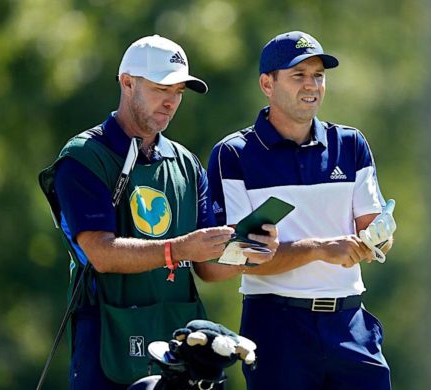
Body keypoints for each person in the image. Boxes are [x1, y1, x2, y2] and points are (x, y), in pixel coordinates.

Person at [39, 35, 277, 389]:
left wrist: (251, 254)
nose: (171, 101)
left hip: (181, 347)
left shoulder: (185, 163)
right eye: (161, 88)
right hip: (109, 346)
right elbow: (101, 253)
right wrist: (179, 248)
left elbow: (207, 267)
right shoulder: (84, 157)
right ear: (127, 82)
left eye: (179, 91)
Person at [201, 31, 397, 389]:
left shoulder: (350, 145)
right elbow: (231, 258)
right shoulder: (234, 155)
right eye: (298, 76)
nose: (312, 85)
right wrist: (320, 249)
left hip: (350, 322)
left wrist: (379, 240)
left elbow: (376, 236)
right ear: (267, 83)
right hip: (277, 326)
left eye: (318, 76)